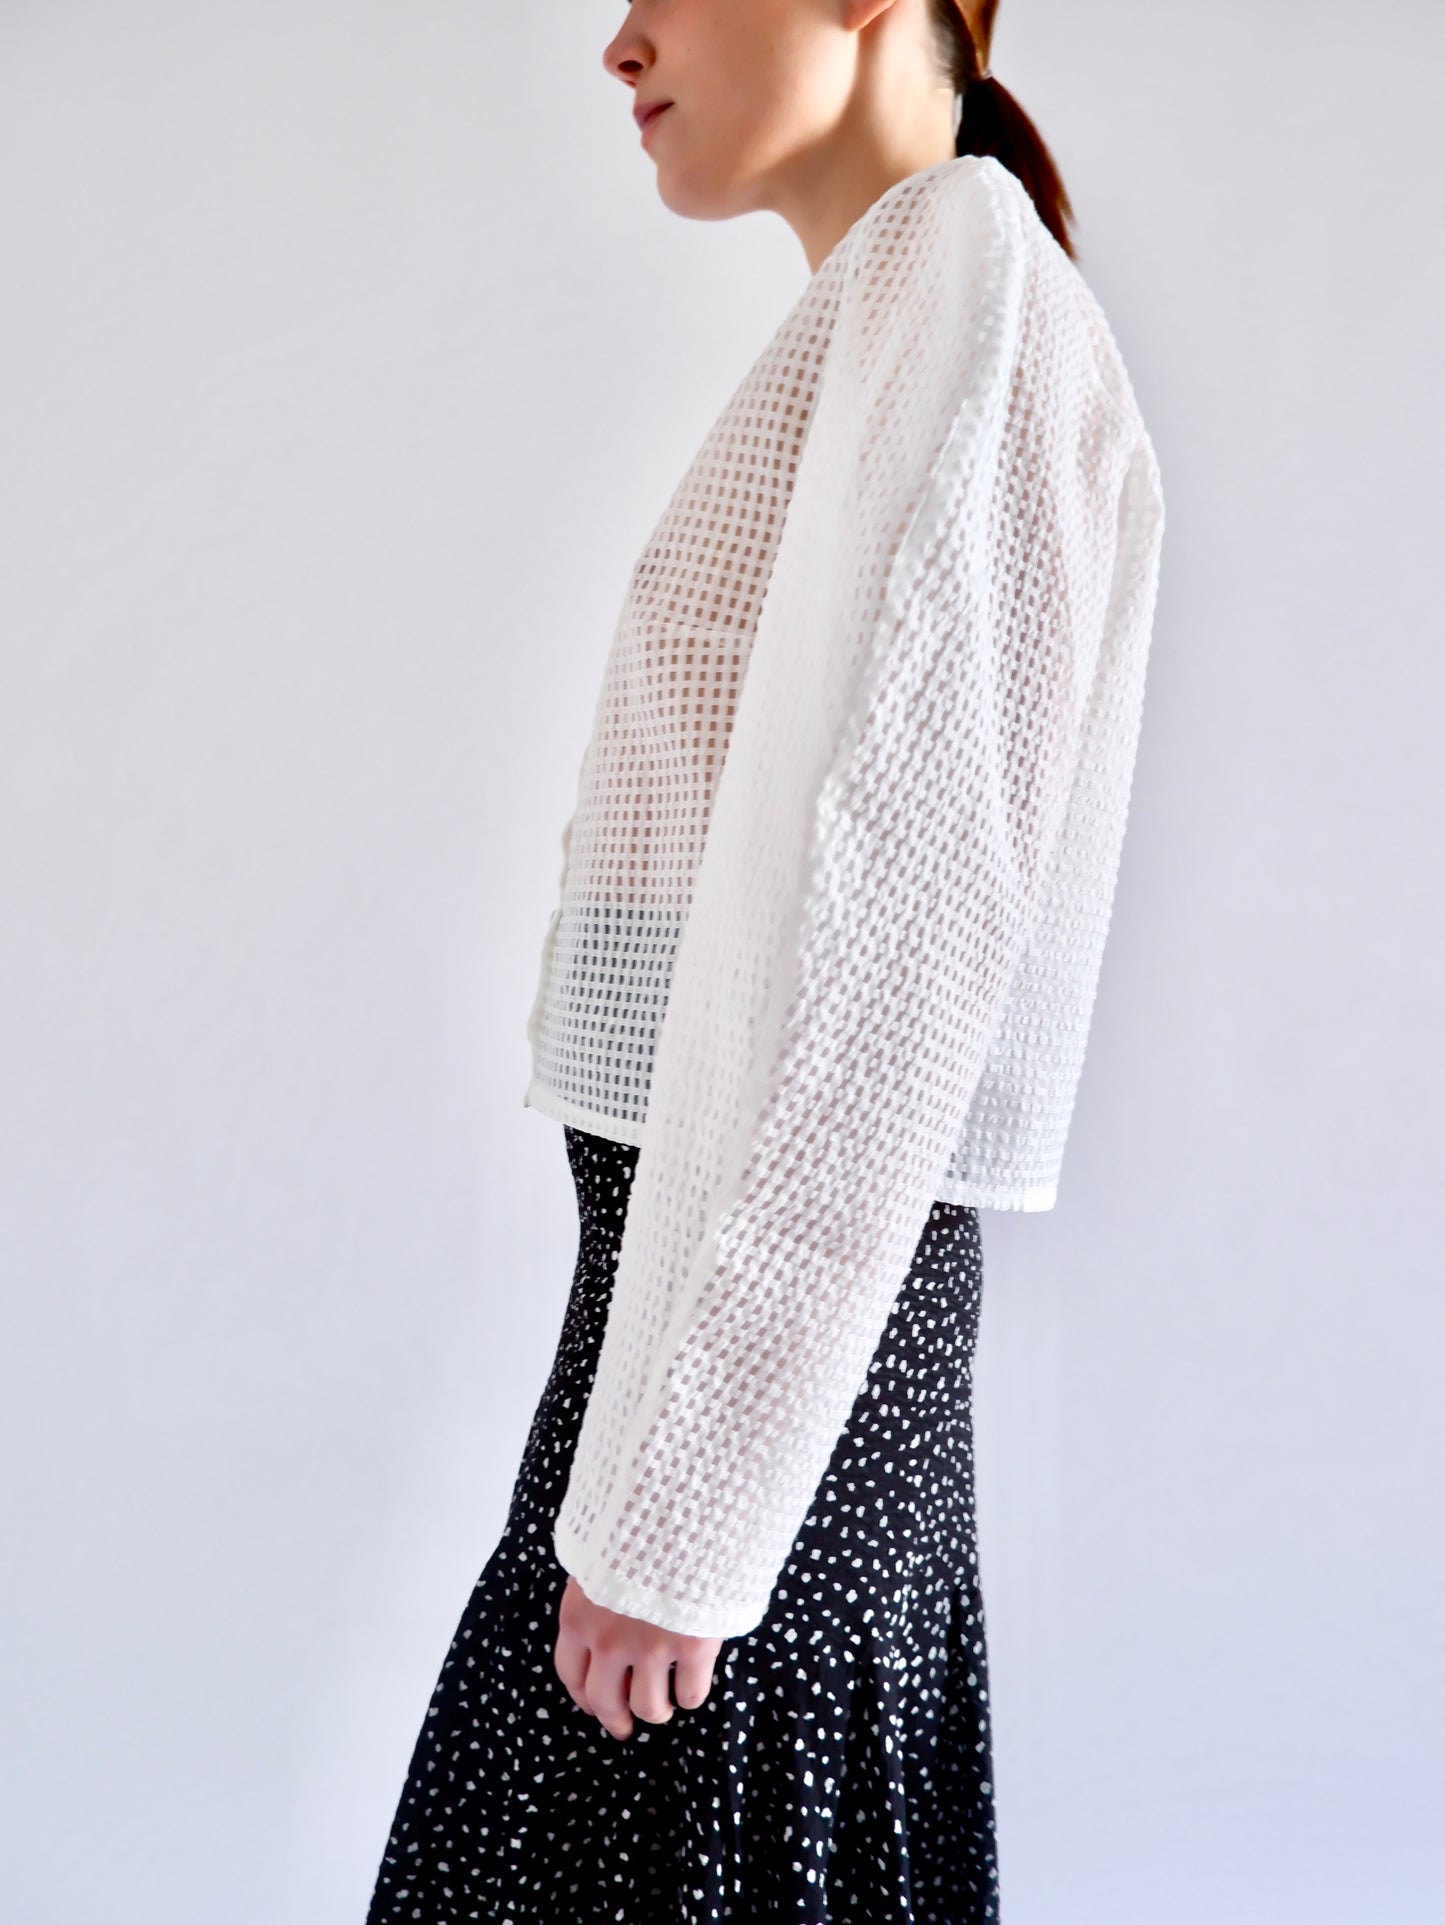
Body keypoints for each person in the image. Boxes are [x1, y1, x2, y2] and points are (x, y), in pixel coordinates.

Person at [364, 0, 1165, 1918]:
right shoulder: (909, 297)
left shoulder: (965, 275)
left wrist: (689, 1514)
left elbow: (893, 947)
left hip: (761, 1424)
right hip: (709, 1373)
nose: (620, 41)